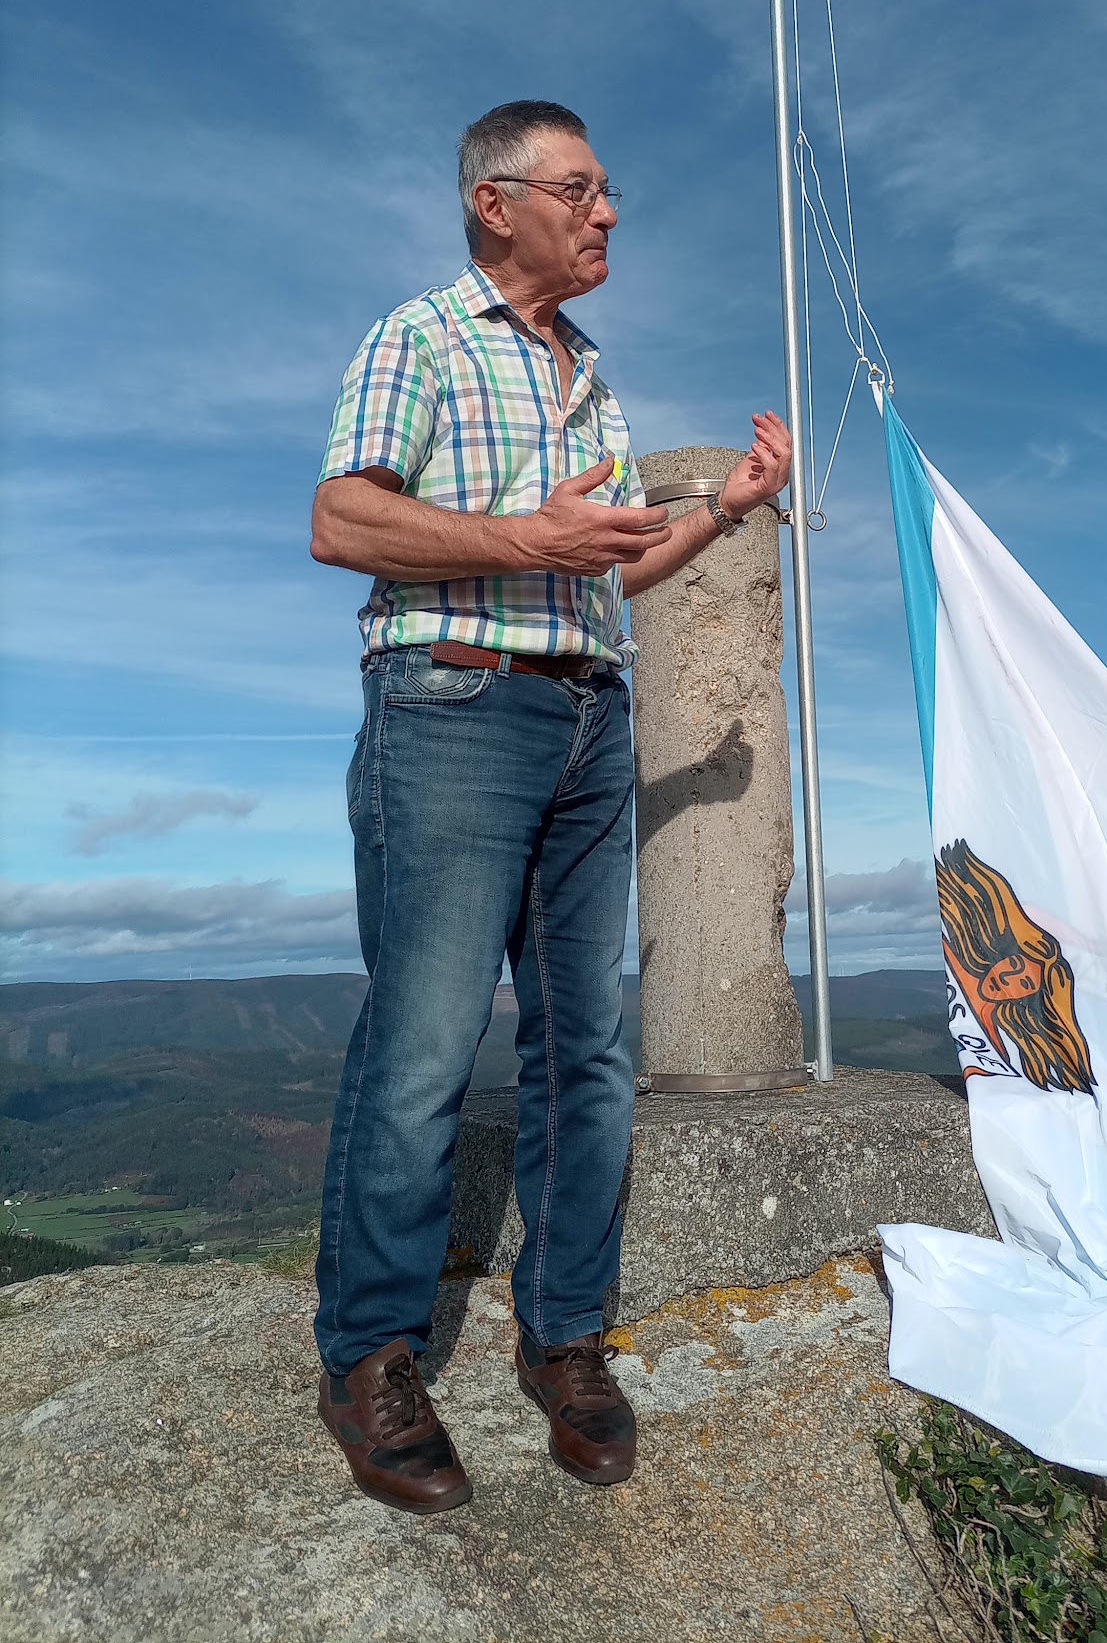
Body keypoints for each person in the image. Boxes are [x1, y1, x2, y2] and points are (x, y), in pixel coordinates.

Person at [307, 99, 793, 1513]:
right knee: (426, 1044)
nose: (608, 214)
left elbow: (594, 577)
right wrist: (529, 534)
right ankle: (372, 1358)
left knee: (588, 1048)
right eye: (580, 189)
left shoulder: (590, 377)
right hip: (452, 708)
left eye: (607, 190)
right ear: (493, 203)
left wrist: (724, 510)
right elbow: (343, 521)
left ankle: (564, 1336)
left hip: (588, 710)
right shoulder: (422, 338)